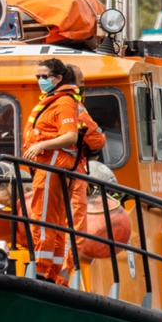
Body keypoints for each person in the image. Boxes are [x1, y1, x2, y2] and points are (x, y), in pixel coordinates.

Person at [22, 58, 80, 281]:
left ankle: (41, 271)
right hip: (45, 167)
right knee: (52, 222)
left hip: (51, 166)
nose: (40, 80)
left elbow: (70, 136)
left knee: (43, 220)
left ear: (57, 78)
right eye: (38, 76)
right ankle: (52, 272)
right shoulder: (51, 100)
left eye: (44, 76)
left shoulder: (63, 102)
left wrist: (41, 145)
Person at [59, 64, 107, 280]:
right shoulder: (74, 107)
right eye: (81, 86)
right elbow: (97, 140)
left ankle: (46, 271)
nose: (82, 91)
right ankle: (64, 274)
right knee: (77, 228)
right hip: (72, 174)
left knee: (51, 225)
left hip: (47, 176)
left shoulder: (42, 105)